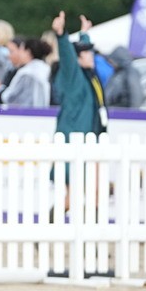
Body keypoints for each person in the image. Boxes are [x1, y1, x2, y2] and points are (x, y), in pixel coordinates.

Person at [52, 12, 107, 211]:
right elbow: (68, 55)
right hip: (74, 139)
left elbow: (80, 50)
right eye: (86, 54)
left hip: (89, 139)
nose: (91, 56)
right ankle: (46, 230)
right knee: (75, 194)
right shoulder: (73, 76)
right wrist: (61, 35)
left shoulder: (87, 76)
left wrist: (84, 34)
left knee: (88, 193)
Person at [0, 36, 51, 107]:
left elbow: (9, 97)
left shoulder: (26, 73)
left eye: (21, 50)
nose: (19, 54)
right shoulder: (46, 70)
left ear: (28, 53)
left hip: (25, 115)